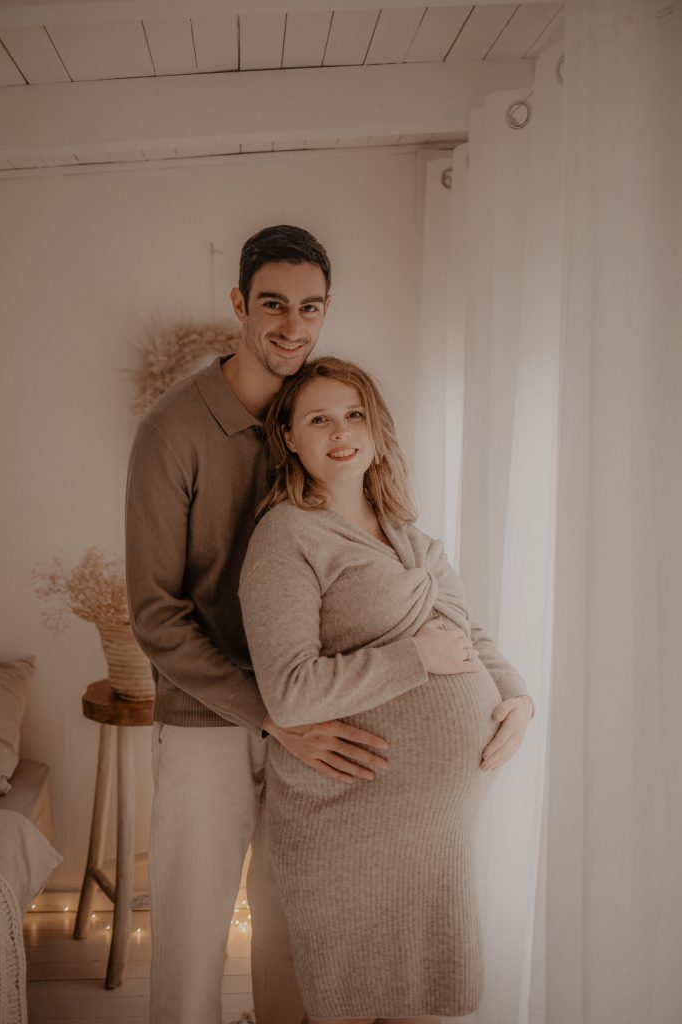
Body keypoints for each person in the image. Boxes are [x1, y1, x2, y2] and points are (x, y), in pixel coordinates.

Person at [125, 225, 478, 1024]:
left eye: (310, 307)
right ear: (239, 304)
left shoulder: (314, 417)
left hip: (321, 718)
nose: (292, 325)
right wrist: (273, 712)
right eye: (274, 305)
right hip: (213, 718)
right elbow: (154, 611)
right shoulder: (172, 431)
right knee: (193, 932)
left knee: (296, 925)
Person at [239, 356, 534, 1024]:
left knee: (421, 1001)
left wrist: (517, 696)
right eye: (317, 418)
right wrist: (413, 658)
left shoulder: (412, 536)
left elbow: (468, 634)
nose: (339, 430)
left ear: (376, 430)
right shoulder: (287, 535)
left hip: (435, 834)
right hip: (349, 823)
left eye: (353, 414)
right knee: (346, 1001)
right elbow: (288, 690)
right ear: (289, 437)